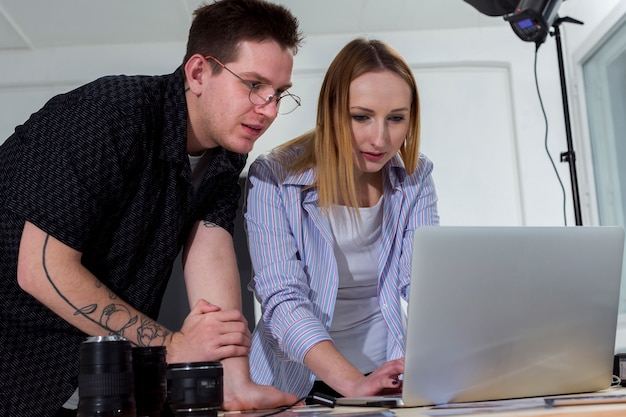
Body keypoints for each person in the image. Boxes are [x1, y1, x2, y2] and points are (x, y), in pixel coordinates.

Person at [0, 0, 304, 415]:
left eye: (278, 93)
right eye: (253, 85)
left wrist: (234, 382)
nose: (268, 109)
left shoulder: (227, 154)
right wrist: (174, 345)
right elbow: (41, 269)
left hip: (91, 380)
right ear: (199, 73)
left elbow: (210, 252)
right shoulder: (110, 114)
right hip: (15, 367)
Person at [244, 38, 440, 400]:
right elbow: (282, 299)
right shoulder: (273, 177)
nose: (379, 138)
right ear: (331, 111)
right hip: (291, 382)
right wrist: (353, 384)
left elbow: (425, 284)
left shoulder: (415, 176)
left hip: (385, 372)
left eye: (396, 118)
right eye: (361, 117)